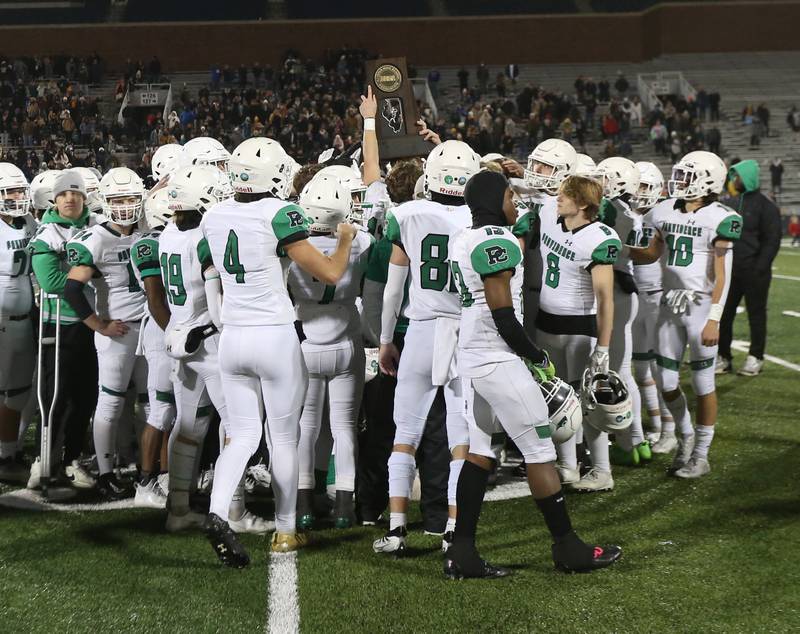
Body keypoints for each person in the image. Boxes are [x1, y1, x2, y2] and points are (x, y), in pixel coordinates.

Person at [446, 169, 621, 578]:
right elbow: (504, 316)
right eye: (509, 196)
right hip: (497, 357)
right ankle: (567, 547)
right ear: (495, 200)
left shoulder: (464, 237)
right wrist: (535, 356)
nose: (515, 204)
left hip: (474, 355)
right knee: (540, 452)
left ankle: (462, 553)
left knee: (481, 453)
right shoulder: (495, 241)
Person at [201, 137, 357, 558]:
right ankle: (286, 530)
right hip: (273, 336)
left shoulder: (213, 215)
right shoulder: (280, 213)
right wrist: (344, 239)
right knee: (283, 438)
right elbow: (329, 272)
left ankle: (217, 511)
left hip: (232, 339)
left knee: (243, 435)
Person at [373, 140, 479, 556]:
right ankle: (453, 529)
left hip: (419, 329)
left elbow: (392, 290)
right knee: (461, 436)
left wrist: (385, 340)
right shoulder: (479, 219)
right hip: (464, 332)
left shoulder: (405, 215)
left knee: (406, 433)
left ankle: (398, 528)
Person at [630, 151, 742, 478]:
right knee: (666, 381)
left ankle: (702, 454)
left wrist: (715, 318)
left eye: (688, 176)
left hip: (701, 305)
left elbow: (723, 275)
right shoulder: (663, 211)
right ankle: (686, 436)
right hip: (670, 304)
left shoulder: (721, 217)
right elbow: (652, 252)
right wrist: (622, 250)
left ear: (709, 181)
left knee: (703, 381)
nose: (680, 181)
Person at [287, 173, 373, 530]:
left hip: (306, 340)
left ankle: (305, 503)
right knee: (344, 428)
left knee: (306, 427)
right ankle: (343, 506)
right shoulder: (362, 242)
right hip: (345, 339)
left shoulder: (292, 245)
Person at [64, 167, 149, 500]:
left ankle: (148, 468)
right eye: (118, 199)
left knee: (151, 404)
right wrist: (98, 324)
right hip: (118, 331)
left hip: (148, 329)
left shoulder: (148, 231)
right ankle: (105, 472)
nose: (126, 205)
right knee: (111, 404)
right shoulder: (95, 239)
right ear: (105, 201)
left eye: (130, 198)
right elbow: (72, 290)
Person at [534, 174, 620, 488]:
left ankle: (601, 471)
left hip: (579, 327)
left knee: (588, 401)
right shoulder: (549, 214)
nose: (558, 199)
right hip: (547, 320)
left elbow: (606, 298)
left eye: (565, 195)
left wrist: (604, 347)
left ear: (583, 203)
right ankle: (568, 465)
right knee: (557, 400)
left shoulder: (599, 238)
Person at [26, 169, 98, 490]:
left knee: (85, 396)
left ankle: (72, 459)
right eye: (64, 194)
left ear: (84, 196)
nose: (70, 198)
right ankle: (44, 459)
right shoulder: (46, 234)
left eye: (76, 192)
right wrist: (89, 273)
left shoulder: (98, 226)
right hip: (60, 325)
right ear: (54, 199)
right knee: (55, 395)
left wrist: (74, 270)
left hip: (92, 326)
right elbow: (50, 281)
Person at [593, 157, 647, 477]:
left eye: (605, 178)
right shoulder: (626, 212)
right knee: (622, 369)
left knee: (619, 371)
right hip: (623, 288)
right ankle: (635, 440)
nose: (599, 183)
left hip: (617, 290)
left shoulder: (614, 210)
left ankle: (630, 442)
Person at [717, 160, 782, 376]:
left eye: (739, 176)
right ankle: (724, 357)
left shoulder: (767, 207)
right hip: (731, 271)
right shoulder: (731, 204)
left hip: (755, 273)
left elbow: (772, 240)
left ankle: (756, 357)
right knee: (724, 315)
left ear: (750, 177)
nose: (735, 180)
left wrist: (759, 267)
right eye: (734, 177)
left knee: (756, 315)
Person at [630, 162, 674, 449]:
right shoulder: (624, 214)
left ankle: (670, 429)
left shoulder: (665, 215)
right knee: (641, 367)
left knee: (662, 368)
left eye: (646, 186)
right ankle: (656, 425)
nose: (640, 193)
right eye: (637, 186)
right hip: (634, 296)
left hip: (658, 295)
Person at [0, 164, 37, 483]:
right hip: (2, 318)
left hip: (26, 316)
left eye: (18, 190)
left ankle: (8, 451)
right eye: (9, 191)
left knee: (19, 391)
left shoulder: (30, 223)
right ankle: (5, 455)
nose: (16, 197)